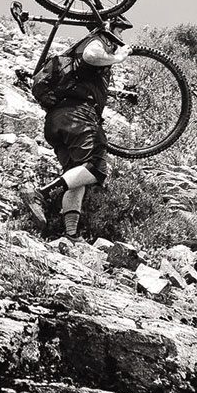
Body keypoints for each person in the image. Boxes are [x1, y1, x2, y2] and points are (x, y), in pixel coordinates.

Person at [22, 18, 134, 238]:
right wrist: (119, 57)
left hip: (57, 120)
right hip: (79, 116)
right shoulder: (99, 39)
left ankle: (70, 234)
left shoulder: (79, 57)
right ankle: (40, 194)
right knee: (96, 167)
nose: (121, 38)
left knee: (76, 177)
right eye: (120, 31)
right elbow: (91, 55)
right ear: (110, 25)